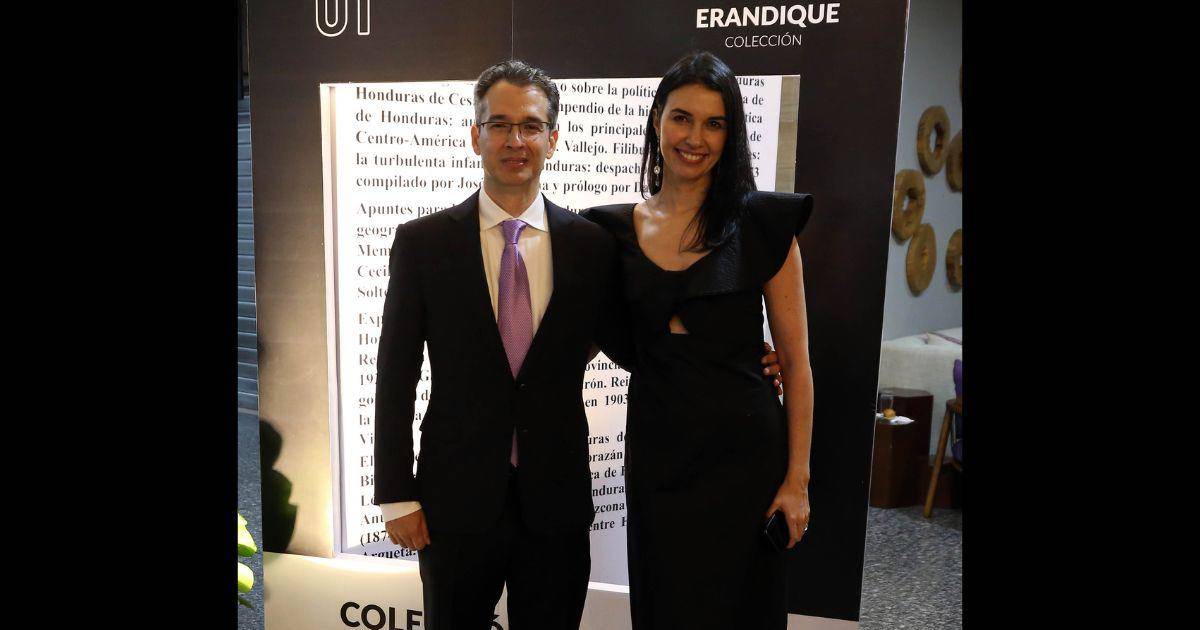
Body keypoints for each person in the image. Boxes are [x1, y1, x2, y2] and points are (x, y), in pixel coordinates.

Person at [372, 59, 785, 630]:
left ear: (553, 139)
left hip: (557, 504)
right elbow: (395, 375)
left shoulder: (591, 245)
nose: (515, 141)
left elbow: (639, 341)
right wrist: (396, 494)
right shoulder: (422, 244)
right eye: (499, 125)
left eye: (531, 126)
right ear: (475, 135)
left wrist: (741, 358)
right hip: (454, 501)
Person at [581, 51, 815, 630]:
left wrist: (796, 482)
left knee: (745, 612)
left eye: (714, 124)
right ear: (658, 119)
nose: (695, 138)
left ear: (730, 135)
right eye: (682, 118)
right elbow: (575, 346)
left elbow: (797, 366)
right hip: (658, 455)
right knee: (665, 606)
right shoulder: (608, 234)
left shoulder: (764, 225)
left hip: (746, 457)